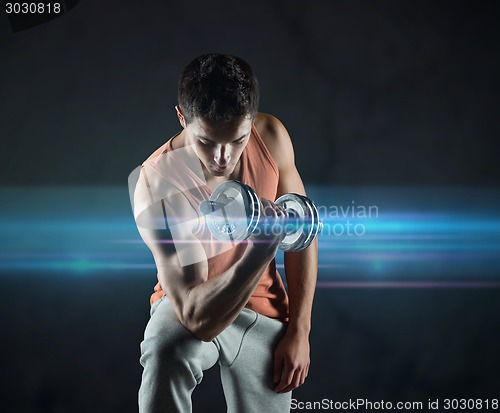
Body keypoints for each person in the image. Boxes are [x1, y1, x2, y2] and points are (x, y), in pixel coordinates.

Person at [130, 53, 318, 413]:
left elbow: (302, 233)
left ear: (250, 121)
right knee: (165, 348)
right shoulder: (158, 184)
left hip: (263, 310)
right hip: (190, 304)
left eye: (236, 140)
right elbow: (196, 315)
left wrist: (300, 330)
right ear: (183, 118)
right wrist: (260, 252)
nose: (222, 157)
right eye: (207, 142)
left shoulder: (271, 137)